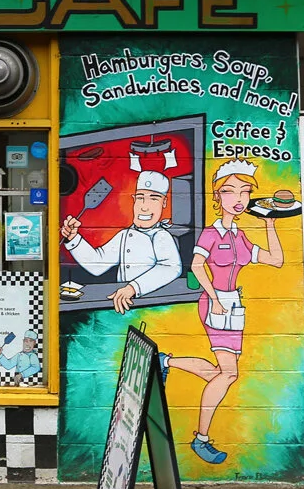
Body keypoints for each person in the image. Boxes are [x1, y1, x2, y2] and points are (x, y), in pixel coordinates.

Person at [165, 160, 285, 464]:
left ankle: (166, 361)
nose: (239, 198)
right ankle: (201, 439)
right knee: (229, 373)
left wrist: (270, 224)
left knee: (220, 374)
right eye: (230, 191)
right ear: (217, 196)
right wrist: (214, 296)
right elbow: (196, 265)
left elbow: (276, 260)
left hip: (233, 305)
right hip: (215, 304)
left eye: (245, 192)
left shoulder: (239, 236)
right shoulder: (212, 232)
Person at [59, 169, 182, 314]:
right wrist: (74, 238)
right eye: (140, 198)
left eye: (153, 199)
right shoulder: (124, 235)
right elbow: (97, 264)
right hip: (124, 305)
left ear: (164, 202)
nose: (144, 206)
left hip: (151, 309)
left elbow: (171, 267)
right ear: (134, 200)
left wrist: (133, 288)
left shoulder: (161, 236)